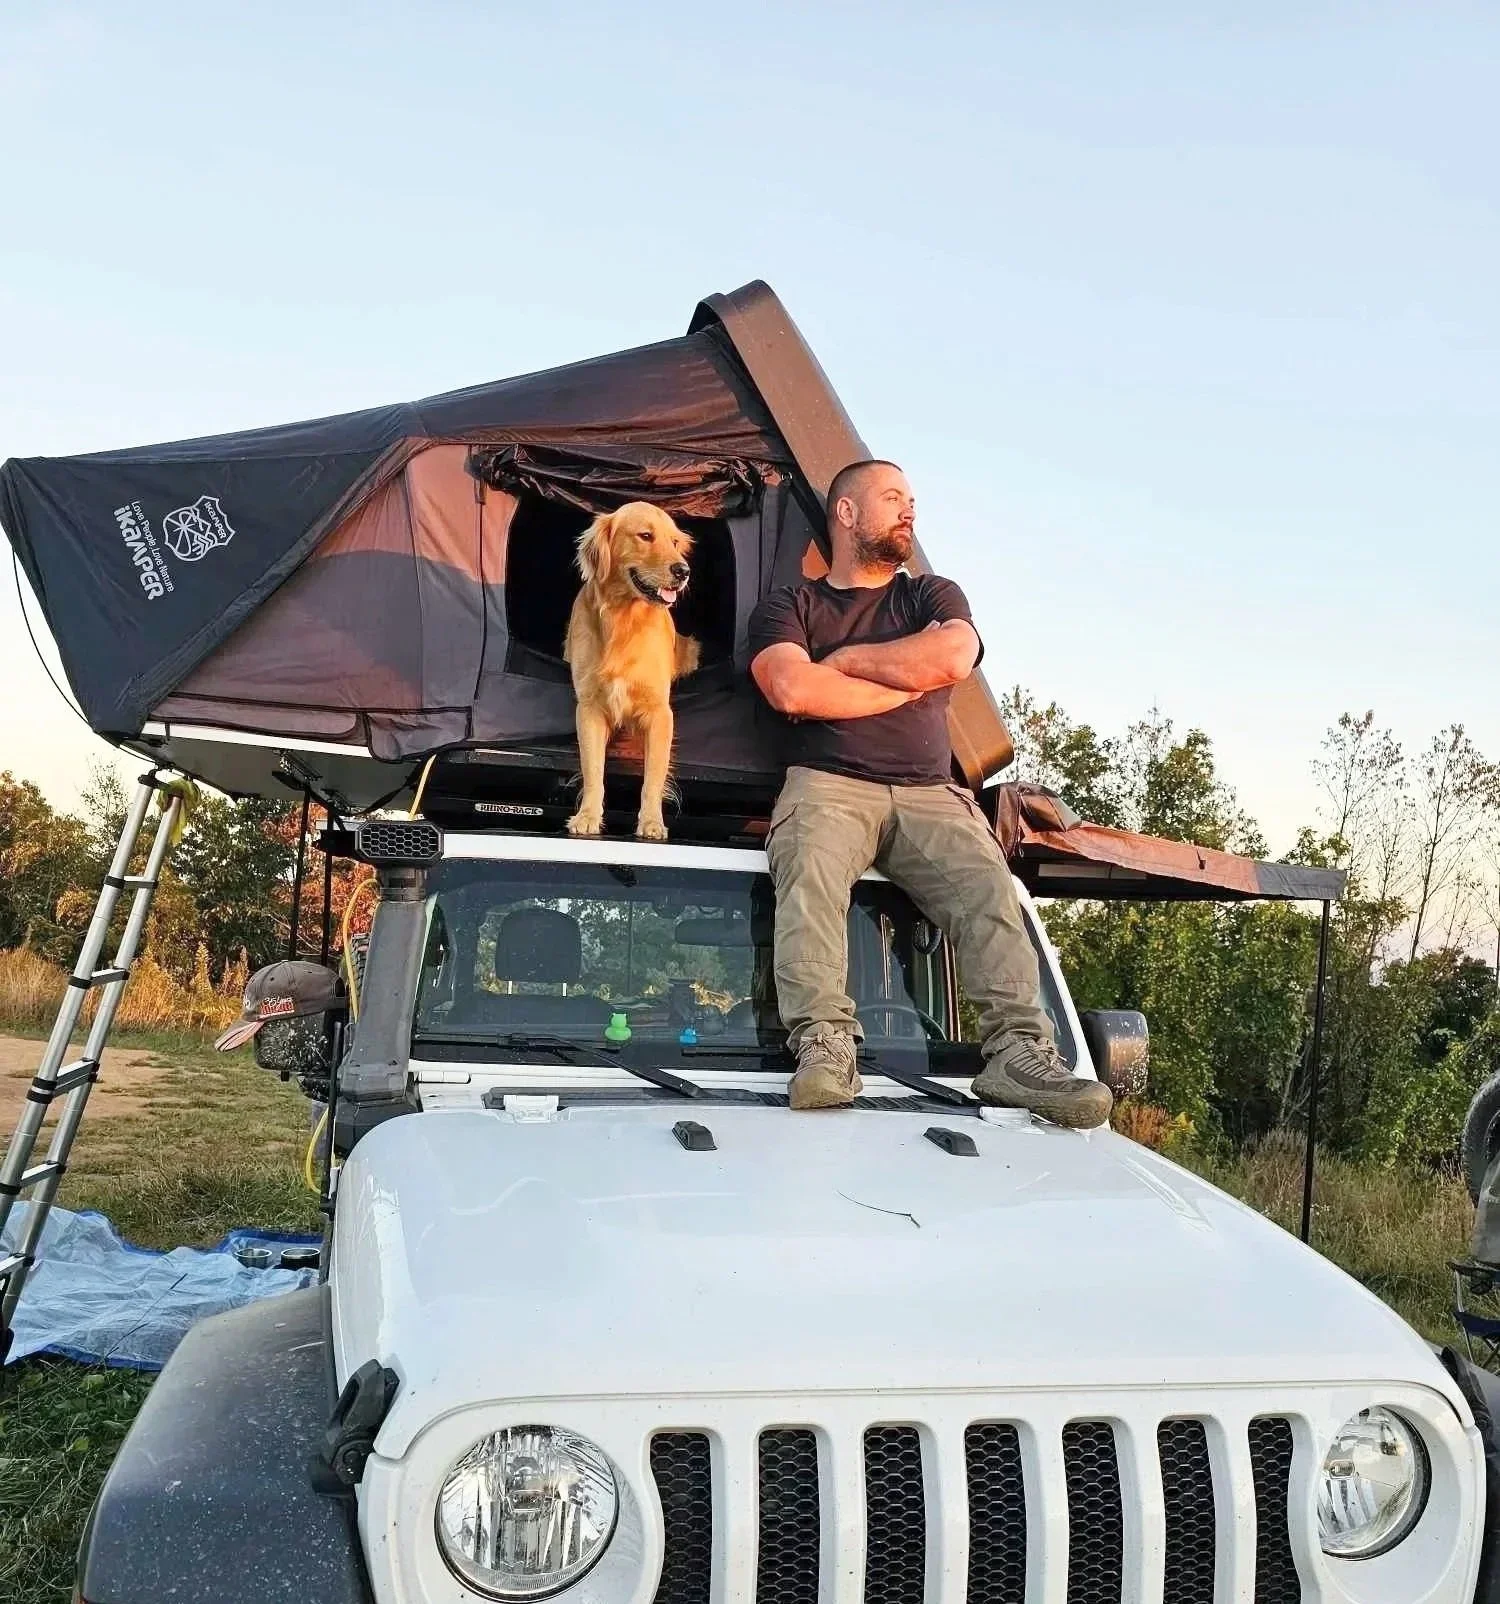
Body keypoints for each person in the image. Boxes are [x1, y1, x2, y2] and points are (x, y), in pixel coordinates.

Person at [747, 459, 1112, 1127]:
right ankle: (826, 1048)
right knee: (809, 881)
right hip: (828, 783)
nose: (909, 511)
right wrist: (903, 675)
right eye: (892, 498)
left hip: (930, 791)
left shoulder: (931, 596)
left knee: (991, 893)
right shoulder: (790, 605)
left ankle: (1019, 1056)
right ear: (847, 513)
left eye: (911, 500)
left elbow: (951, 659)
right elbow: (792, 689)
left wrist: (849, 660)